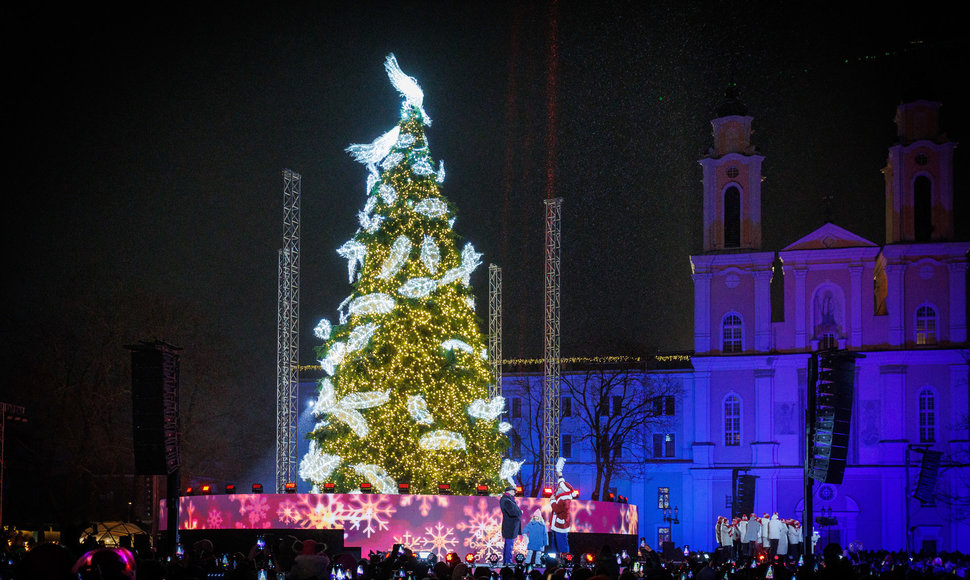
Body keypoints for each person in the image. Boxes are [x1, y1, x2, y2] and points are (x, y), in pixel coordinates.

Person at [549, 460, 576, 555]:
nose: (558, 488)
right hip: (558, 524)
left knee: (562, 544)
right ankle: (559, 559)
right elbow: (561, 481)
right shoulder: (562, 497)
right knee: (557, 543)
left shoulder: (564, 499)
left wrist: (552, 500)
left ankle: (566, 559)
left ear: (564, 490)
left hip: (560, 525)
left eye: (560, 488)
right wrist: (559, 472)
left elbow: (556, 509)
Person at [500, 485, 522, 566]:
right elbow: (512, 512)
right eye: (513, 491)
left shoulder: (507, 499)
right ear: (508, 491)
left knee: (509, 544)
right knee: (509, 544)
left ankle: (507, 561)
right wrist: (520, 513)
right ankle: (508, 561)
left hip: (510, 525)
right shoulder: (506, 500)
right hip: (510, 525)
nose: (514, 493)